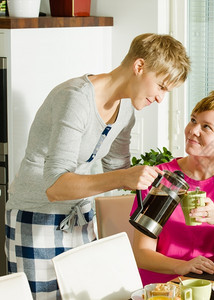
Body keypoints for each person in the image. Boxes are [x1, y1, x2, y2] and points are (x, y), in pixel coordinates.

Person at [5, 33, 190, 300]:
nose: (161, 98)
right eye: (161, 86)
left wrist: (157, 189)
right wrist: (123, 177)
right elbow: (54, 187)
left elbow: (119, 170)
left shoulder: (125, 112)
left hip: (80, 219)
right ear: (139, 67)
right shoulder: (75, 98)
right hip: (36, 218)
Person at [131, 91, 214, 285]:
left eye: (206, 127)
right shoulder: (160, 178)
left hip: (213, 285)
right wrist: (182, 266)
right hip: (164, 288)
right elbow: (142, 254)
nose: (193, 130)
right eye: (193, 120)